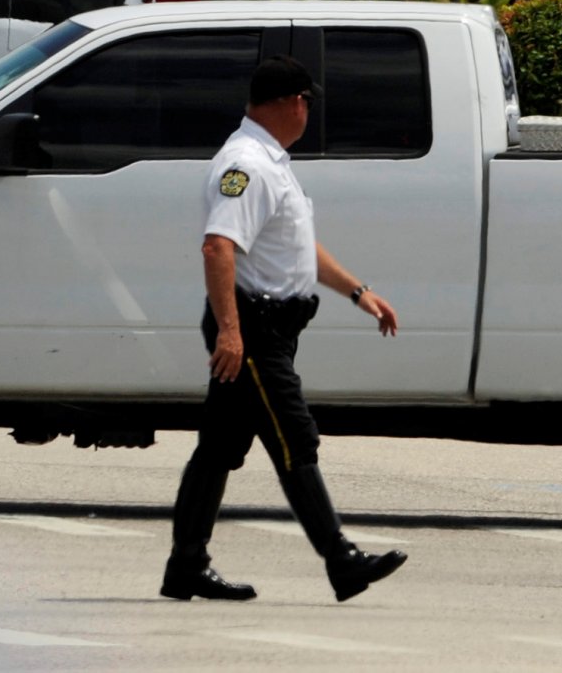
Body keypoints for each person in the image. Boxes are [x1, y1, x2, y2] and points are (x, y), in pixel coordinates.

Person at [160, 57, 408, 605]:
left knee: (218, 448)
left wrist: (359, 292)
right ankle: (343, 561)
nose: (308, 111)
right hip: (252, 329)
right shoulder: (246, 164)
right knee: (294, 437)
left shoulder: (272, 161)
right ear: (290, 102)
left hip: (264, 327)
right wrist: (230, 333)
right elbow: (218, 245)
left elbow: (296, 247)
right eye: (307, 101)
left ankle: (185, 567)